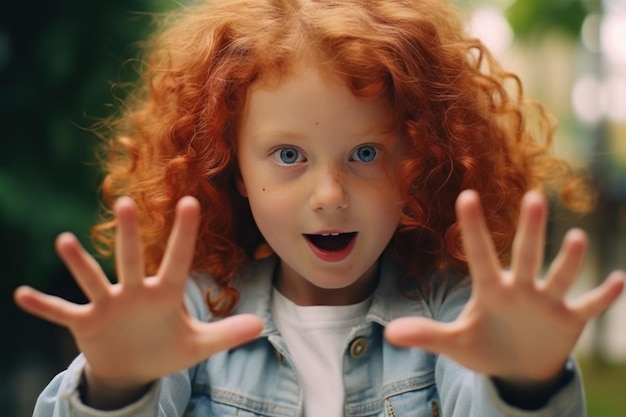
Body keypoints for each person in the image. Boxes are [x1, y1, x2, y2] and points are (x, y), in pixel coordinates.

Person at [14, 0, 625, 416]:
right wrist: (118, 384)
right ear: (230, 165)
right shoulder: (191, 310)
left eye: (365, 152)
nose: (329, 194)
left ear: (424, 158)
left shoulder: (454, 312)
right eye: (287, 155)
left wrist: (522, 382)